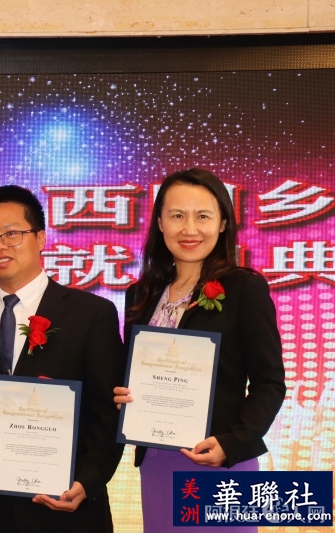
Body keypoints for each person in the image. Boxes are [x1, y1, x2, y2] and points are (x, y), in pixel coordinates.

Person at [114, 168, 286, 532]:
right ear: (160, 223)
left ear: (222, 223)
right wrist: (122, 394)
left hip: (219, 460)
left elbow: (270, 382)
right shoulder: (141, 295)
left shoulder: (243, 288)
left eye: (203, 216)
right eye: (177, 215)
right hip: (156, 460)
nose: (189, 229)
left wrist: (232, 443)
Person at [0, 185, 125, 533]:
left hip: (66, 505)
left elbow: (109, 411)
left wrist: (87, 481)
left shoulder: (91, 314)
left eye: (12, 234)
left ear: (41, 238)